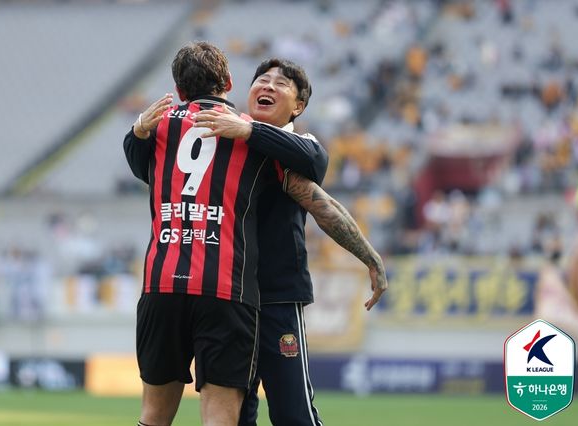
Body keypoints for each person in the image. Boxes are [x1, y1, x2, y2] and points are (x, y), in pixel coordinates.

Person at [126, 43, 386, 426]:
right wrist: (137, 133)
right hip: (230, 295)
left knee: (293, 415)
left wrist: (370, 257)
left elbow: (321, 188)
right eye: (262, 79)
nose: (268, 85)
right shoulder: (228, 136)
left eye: (281, 84)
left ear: (298, 106)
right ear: (235, 86)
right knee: (237, 417)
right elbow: (145, 164)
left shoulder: (288, 146)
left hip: (275, 298)